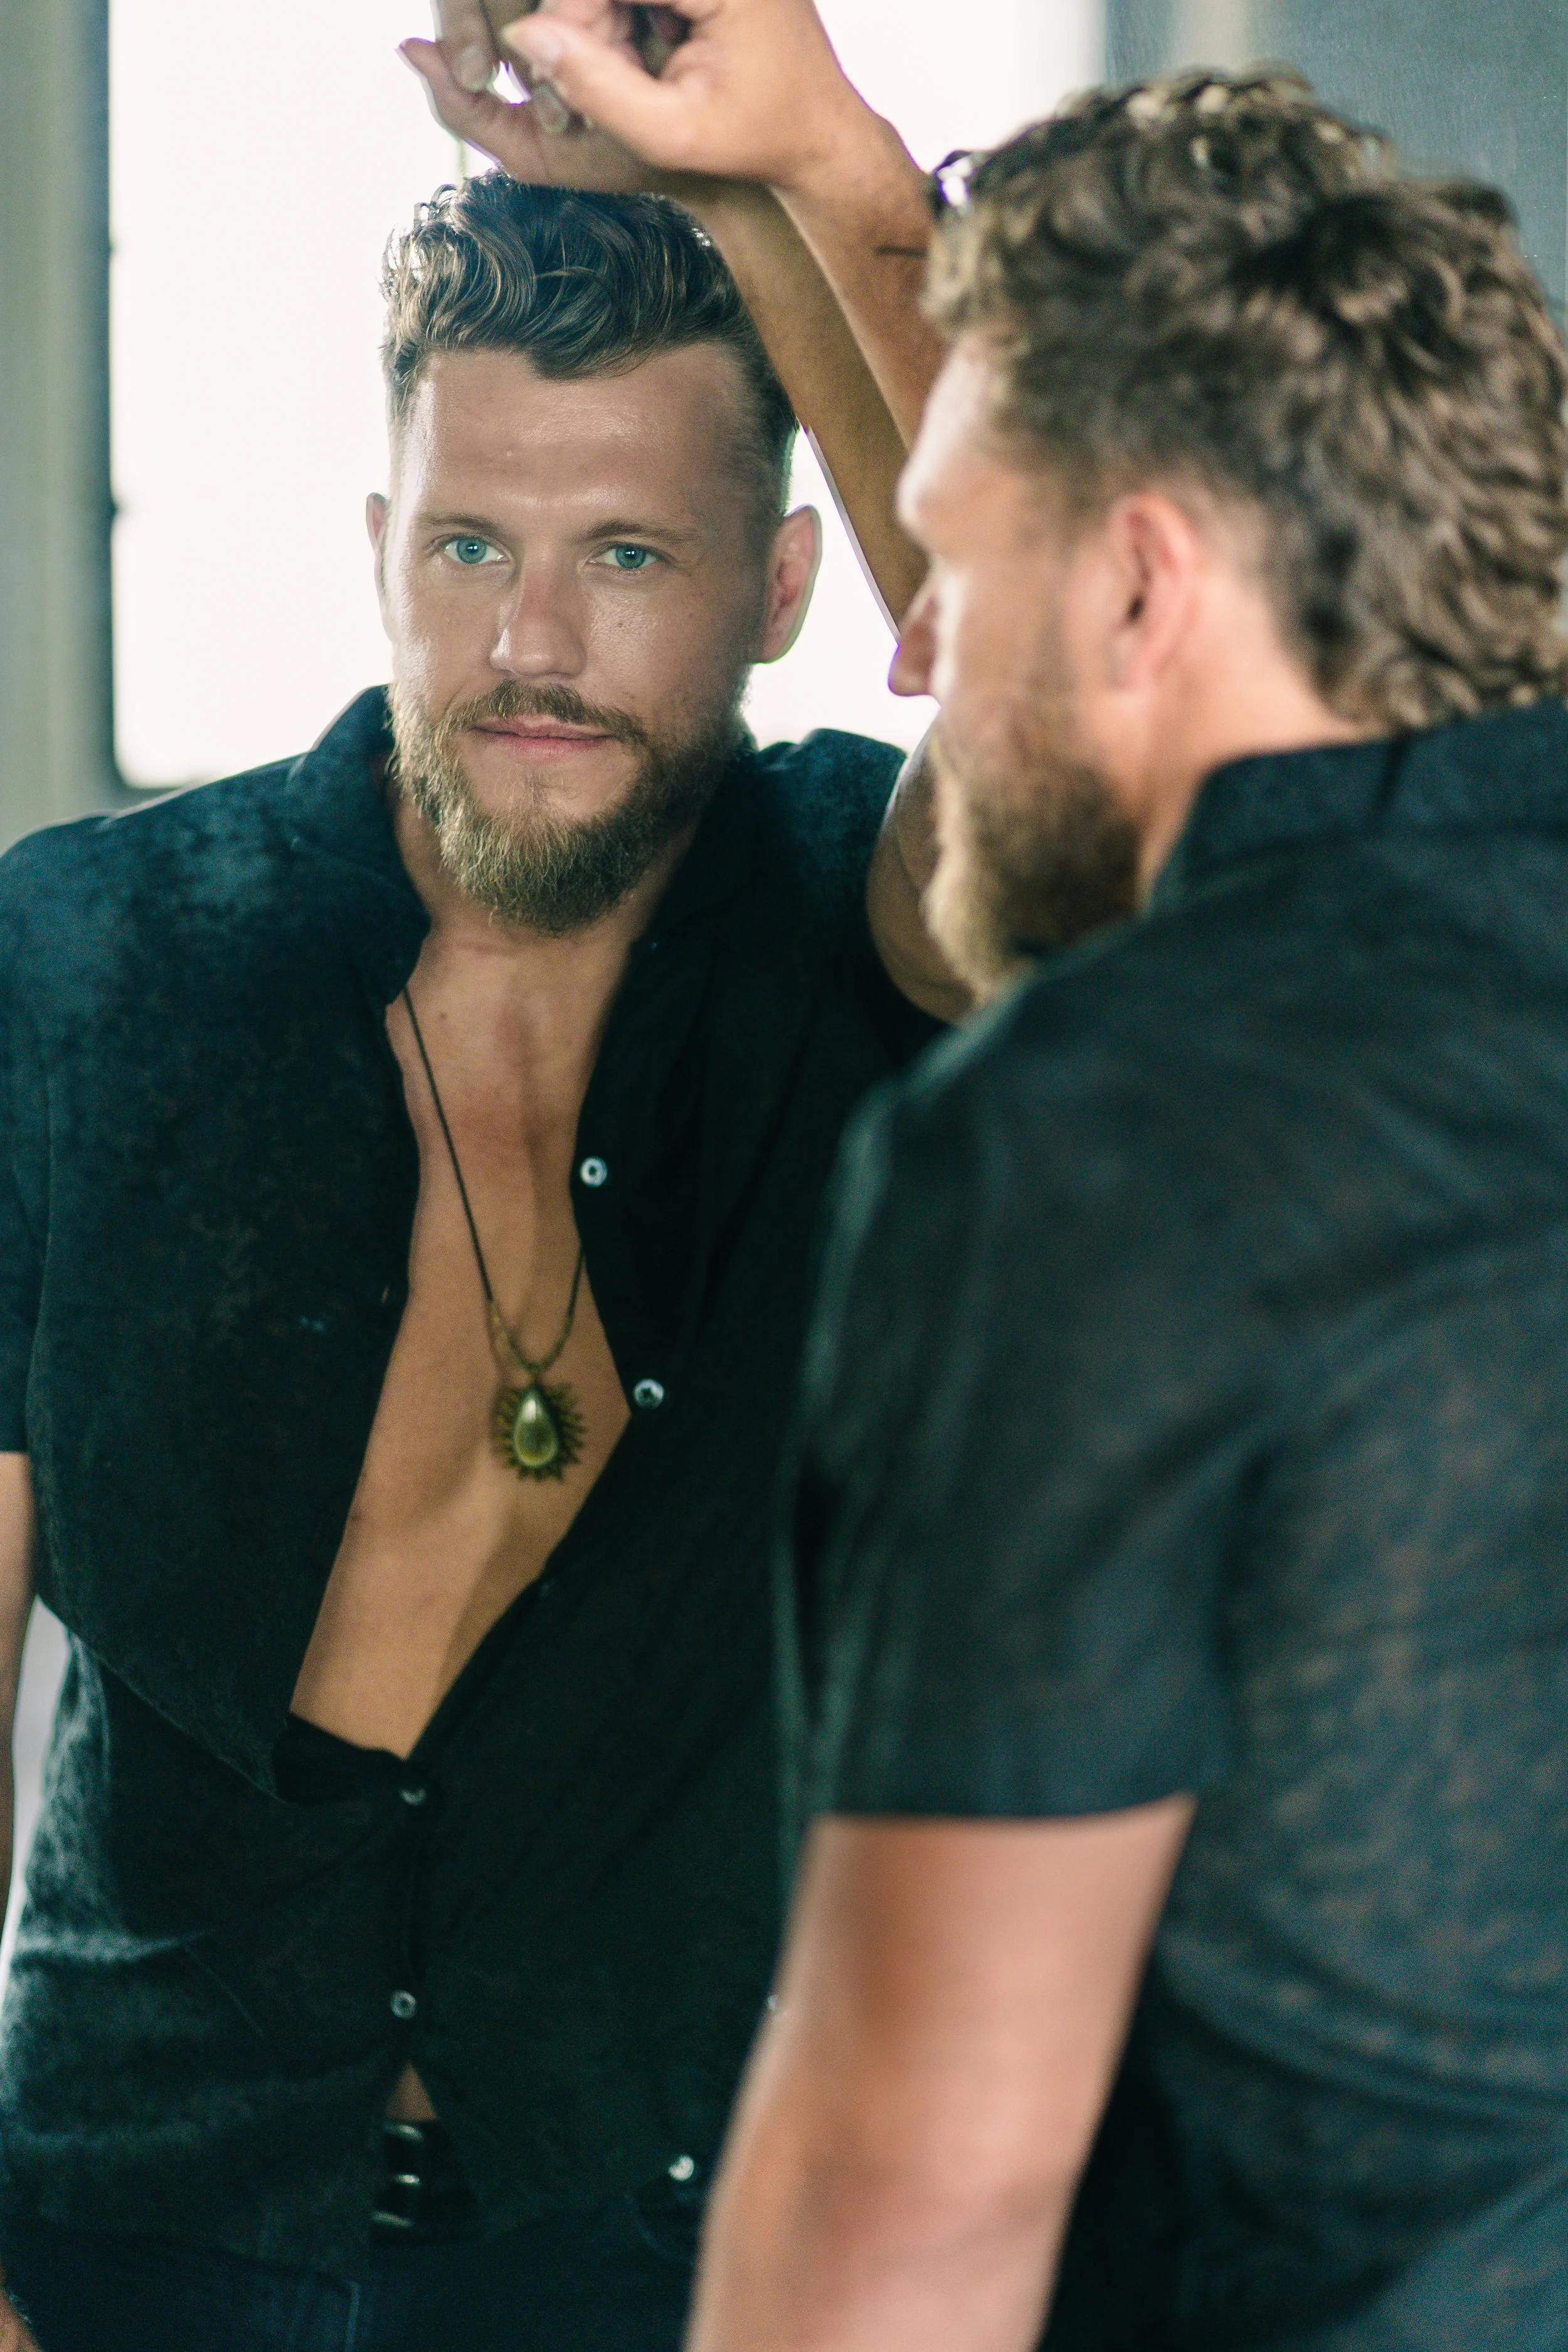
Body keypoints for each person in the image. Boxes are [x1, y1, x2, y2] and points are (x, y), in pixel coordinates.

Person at [494, 7, 1568, 2348]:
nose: (899, 647)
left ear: (1143, 587)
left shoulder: (1105, 1138)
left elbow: (912, 2205)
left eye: (952, 575)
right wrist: (792, 173)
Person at [0, 72, 965, 2352]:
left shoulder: (885, 931)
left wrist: (797, 156)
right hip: (137, 2229)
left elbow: (1085, 709)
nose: (531, 643)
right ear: (378, 545)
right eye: (469, 549)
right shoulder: (89, 955)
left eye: (627, 555)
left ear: (789, 580)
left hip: (672, 2249)